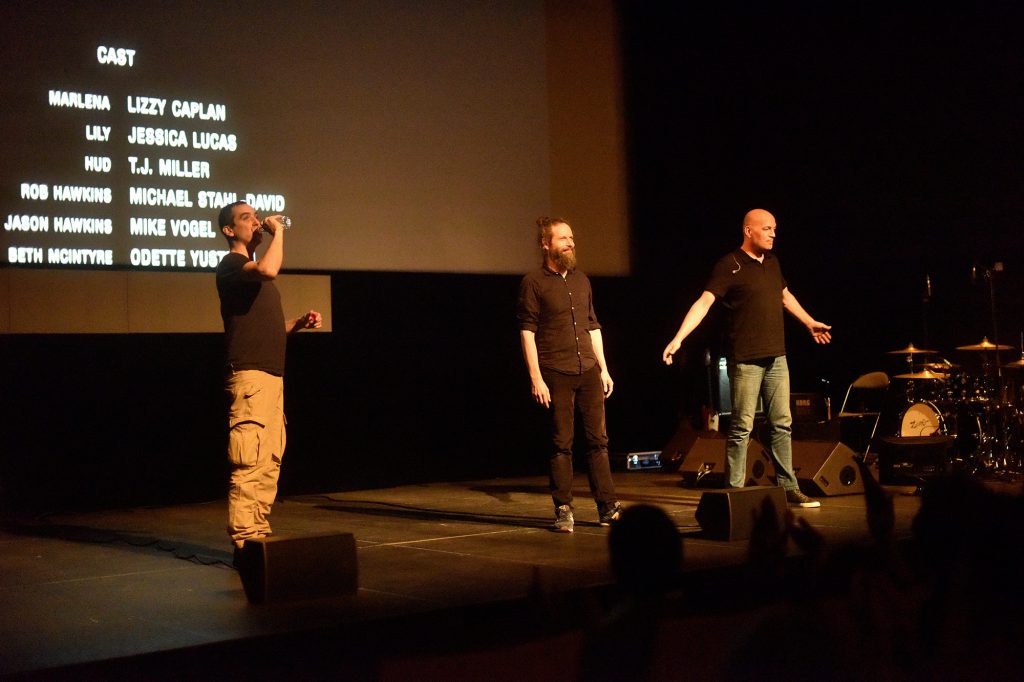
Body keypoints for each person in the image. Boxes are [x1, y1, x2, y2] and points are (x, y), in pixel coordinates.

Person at [662, 208, 831, 507]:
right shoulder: (729, 265)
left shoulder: (773, 262)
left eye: (774, 228)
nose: (773, 234)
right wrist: (679, 338)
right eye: (767, 229)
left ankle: (788, 487)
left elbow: (785, 296)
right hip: (746, 359)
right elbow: (704, 303)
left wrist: (809, 322)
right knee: (742, 427)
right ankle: (735, 493)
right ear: (748, 231)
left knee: (782, 424)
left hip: (777, 357)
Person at [216, 201, 322, 556]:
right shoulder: (231, 265)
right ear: (229, 230)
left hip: (271, 376)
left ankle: (258, 533)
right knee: (250, 460)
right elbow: (268, 269)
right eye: (246, 217)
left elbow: (270, 328)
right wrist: (279, 232)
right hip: (250, 376)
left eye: (256, 216)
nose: (256, 221)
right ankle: (245, 541)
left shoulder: (251, 274)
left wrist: (298, 324)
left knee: (269, 459)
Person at [517, 216, 621, 532]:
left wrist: (604, 368)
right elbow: (527, 332)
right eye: (563, 238)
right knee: (561, 442)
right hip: (556, 371)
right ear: (546, 244)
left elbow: (593, 326)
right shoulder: (534, 282)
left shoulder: (582, 280)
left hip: (587, 368)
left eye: (571, 238)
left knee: (599, 441)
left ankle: (607, 507)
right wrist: (536, 377)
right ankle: (563, 508)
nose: (570, 243)